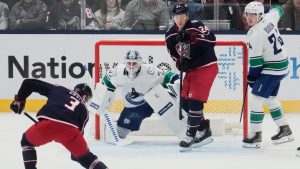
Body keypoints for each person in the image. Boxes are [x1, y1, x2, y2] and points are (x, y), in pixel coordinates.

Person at [10, 79, 108, 169]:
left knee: (26, 142)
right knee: (90, 160)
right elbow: (80, 133)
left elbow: (28, 83)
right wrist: (76, 155)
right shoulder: (84, 111)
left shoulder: (59, 89)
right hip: (70, 133)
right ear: (86, 97)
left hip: (47, 126)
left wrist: (19, 101)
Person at [89, 50, 180, 140]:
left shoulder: (149, 71)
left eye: (134, 63)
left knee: (171, 112)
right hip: (134, 108)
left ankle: (186, 133)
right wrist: (101, 100)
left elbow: (168, 76)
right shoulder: (117, 73)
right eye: (129, 63)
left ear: (139, 62)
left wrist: (177, 81)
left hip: (154, 101)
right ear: (125, 63)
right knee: (121, 132)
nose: (132, 66)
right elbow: (106, 84)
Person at [165, 4, 218, 151]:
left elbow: (212, 40)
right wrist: (180, 64)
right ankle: (204, 130)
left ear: (187, 15)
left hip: (207, 67)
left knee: (195, 103)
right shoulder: (170, 34)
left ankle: (190, 135)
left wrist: (191, 37)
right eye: (177, 15)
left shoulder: (196, 26)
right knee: (185, 104)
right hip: (191, 71)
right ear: (172, 17)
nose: (180, 18)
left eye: (183, 15)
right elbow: (174, 54)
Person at [242, 1, 294, 148]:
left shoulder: (254, 34)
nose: (250, 18)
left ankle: (256, 135)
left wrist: (251, 78)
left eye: (254, 14)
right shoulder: (270, 17)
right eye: (248, 14)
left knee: (255, 100)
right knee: (270, 99)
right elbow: (278, 9)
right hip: (282, 65)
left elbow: (257, 63)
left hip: (272, 69)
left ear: (260, 15)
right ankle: (285, 129)